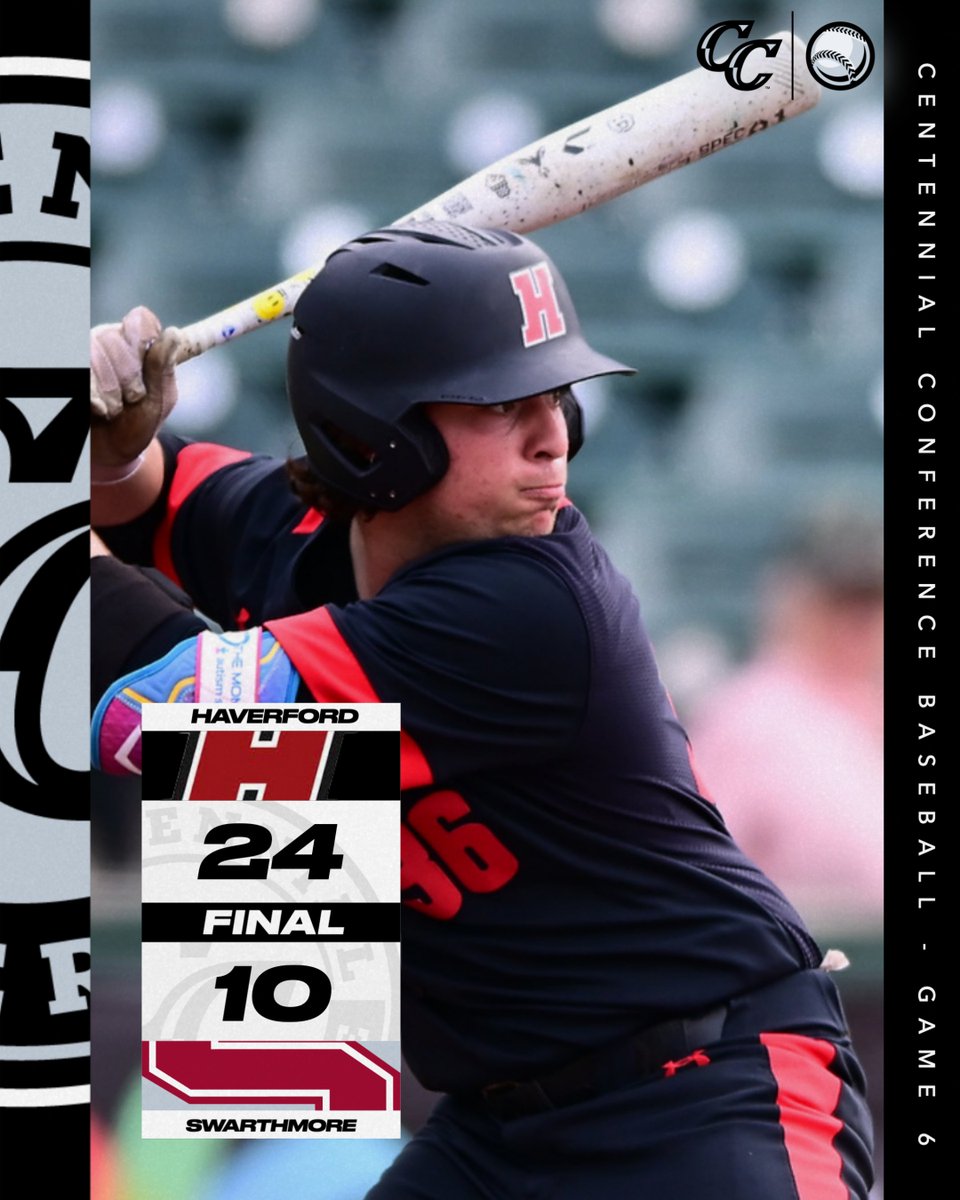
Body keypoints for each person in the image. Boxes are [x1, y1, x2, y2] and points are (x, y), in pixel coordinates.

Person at [90, 221, 874, 1198]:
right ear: (370, 435)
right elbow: (148, 497)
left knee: (251, 773)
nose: (556, 436)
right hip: (501, 1130)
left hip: (707, 1100)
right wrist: (107, 455)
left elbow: (152, 718)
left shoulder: (534, 605)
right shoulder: (303, 540)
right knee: (259, 831)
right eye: (506, 403)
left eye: (557, 396)